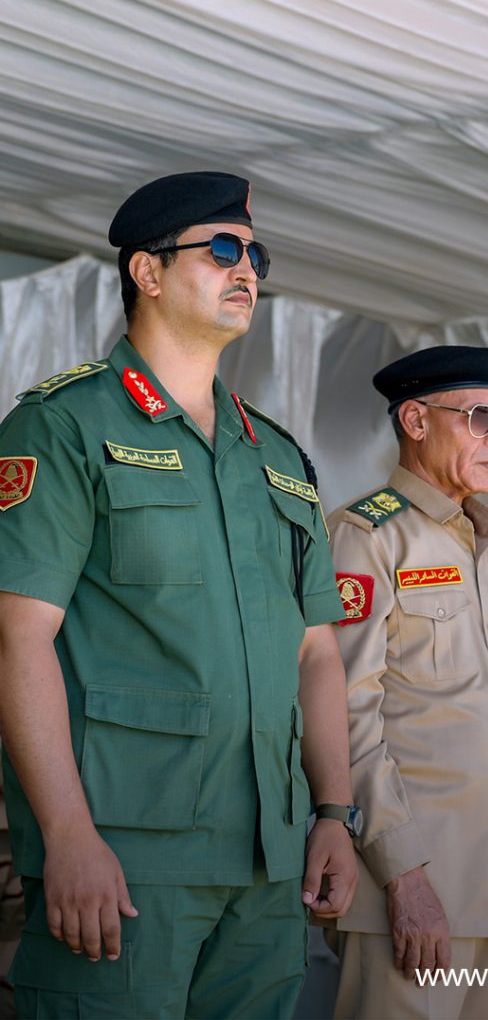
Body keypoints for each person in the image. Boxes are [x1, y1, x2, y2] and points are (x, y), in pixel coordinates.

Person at [0, 172, 358, 1018]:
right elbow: (19, 639)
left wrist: (335, 814)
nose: (248, 270)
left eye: (256, 254)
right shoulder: (64, 425)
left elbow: (316, 653)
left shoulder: (275, 453)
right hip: (127, 857)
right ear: (147, 273)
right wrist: (69, 837)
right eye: (223, 249)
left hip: (268, 860)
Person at [320, 345, 488, 1020]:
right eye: (481, 417)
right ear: (417, 421)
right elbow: (346, 716)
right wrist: (403, 873)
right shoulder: (368, 536)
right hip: (411, 890)